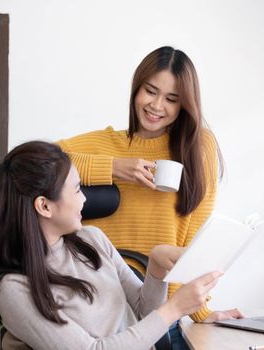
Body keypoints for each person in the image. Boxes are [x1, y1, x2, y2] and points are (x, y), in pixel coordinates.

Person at [56, 46, 242, 325]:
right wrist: (114, 167)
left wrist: (198, 311)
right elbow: (32, 163)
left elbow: (191, 243)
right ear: (136, 89)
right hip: (97, 299)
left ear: (184, 105)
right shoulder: (107, 144)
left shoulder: (197, 148)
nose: (157, 106)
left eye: (171, 98)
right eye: (150, 91)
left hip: (160, 305)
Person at [0, 141, 222, 350]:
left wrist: (157, 269)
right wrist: (174, 308)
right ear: (44, 206)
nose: (85, 198)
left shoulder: (92, 240)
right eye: (77, 190)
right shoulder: (14, 287)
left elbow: (142, 315)